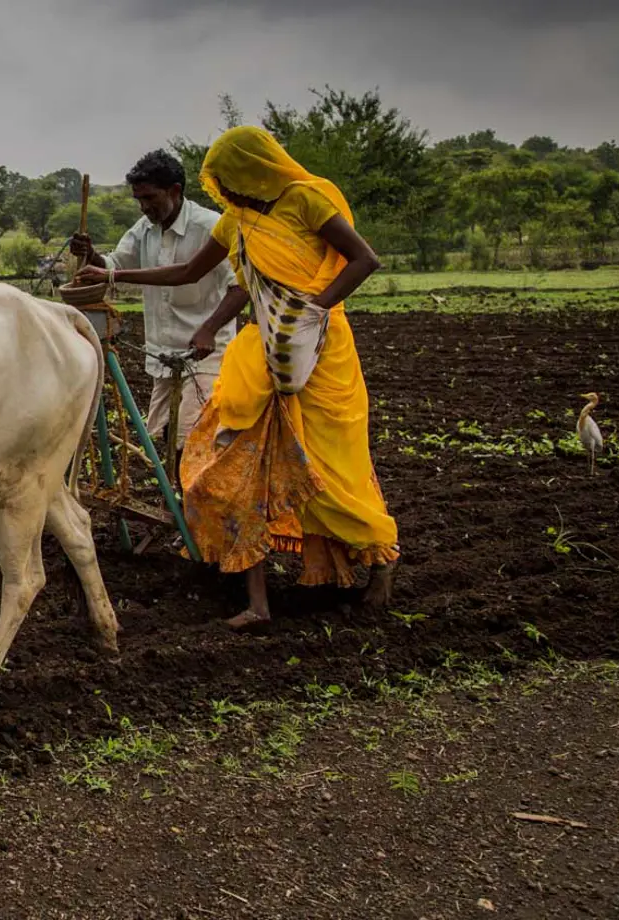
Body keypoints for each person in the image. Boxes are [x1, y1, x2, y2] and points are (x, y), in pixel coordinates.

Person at [76, 126, 399, 630]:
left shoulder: (306, 201)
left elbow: (365, 259)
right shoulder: (236, 222)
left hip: (318, 355)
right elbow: (186, 273)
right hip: (262, 357)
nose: (225, 189)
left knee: (325, 472)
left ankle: (381, 560)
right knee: (231, 467)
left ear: (255, 168)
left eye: (229, 177)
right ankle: (257, 602)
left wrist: (312, 311)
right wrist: (114, 276)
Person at [70, 150, 237, 465]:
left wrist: (210, 328)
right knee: (161, 437)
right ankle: (176, 504)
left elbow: (239, 285)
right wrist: (91, 254)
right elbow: (115, 263)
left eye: (150, 198)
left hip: (205, 356)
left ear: (175, 191)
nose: (144, 207)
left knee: (192, 440)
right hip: (164, 355)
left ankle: (191, 509)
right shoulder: (144, 229)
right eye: (139, 200)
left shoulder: (210, 227)